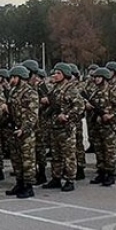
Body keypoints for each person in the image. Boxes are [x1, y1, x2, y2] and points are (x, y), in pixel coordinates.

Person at [42, 63, 85, 191]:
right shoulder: (54, 88)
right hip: (54, 127)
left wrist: (67, 116)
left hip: (66, 128)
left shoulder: (71, 89)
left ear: (65, 75)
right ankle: (56, 178)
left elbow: (80, 106)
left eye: (58, 73)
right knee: (56, 155)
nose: (55, 75)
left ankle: (70, 179)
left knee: (68, 155)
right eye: (55, 73)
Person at [85, 67, 116, 186]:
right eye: (95, 77)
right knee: (99, 150)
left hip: (108, 126)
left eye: (98, 77)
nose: (96, 79)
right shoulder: (94, 91)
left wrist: (111, 115)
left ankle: (110, 174)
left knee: (109, 150)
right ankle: (101, 172)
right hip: (96, 126)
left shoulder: (112, 91)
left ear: (104, 78)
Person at [6, 65, 39, 199]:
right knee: (16, 159)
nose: (12, 80)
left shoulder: (30, 93)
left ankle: (28, 186)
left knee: (27, 160)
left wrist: (24, 129)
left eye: (14, 77)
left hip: (25, 132)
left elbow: (32, 115)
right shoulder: (13, 91)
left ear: (21, 78)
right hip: (14, 130)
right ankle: (19, 183)